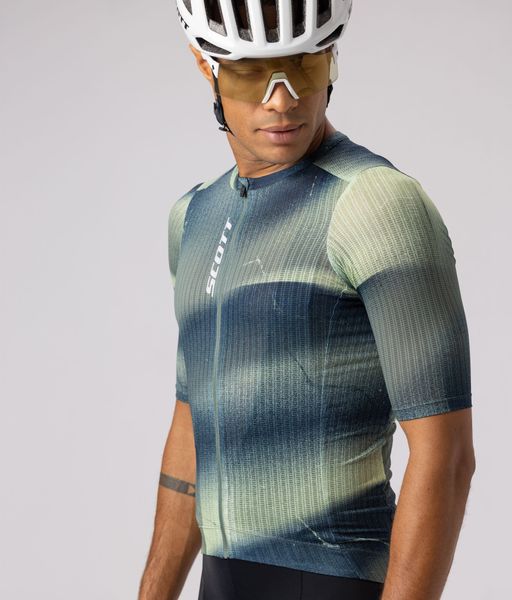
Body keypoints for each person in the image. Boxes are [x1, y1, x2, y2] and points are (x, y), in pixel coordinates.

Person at [139, 1, 476, 599]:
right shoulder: (192, 217)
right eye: (251, 74)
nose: (282, 98)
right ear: (205, 66)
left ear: (332, 59)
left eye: (304, 67)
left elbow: (445, 457)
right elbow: (192, 426)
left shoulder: (375, 204)